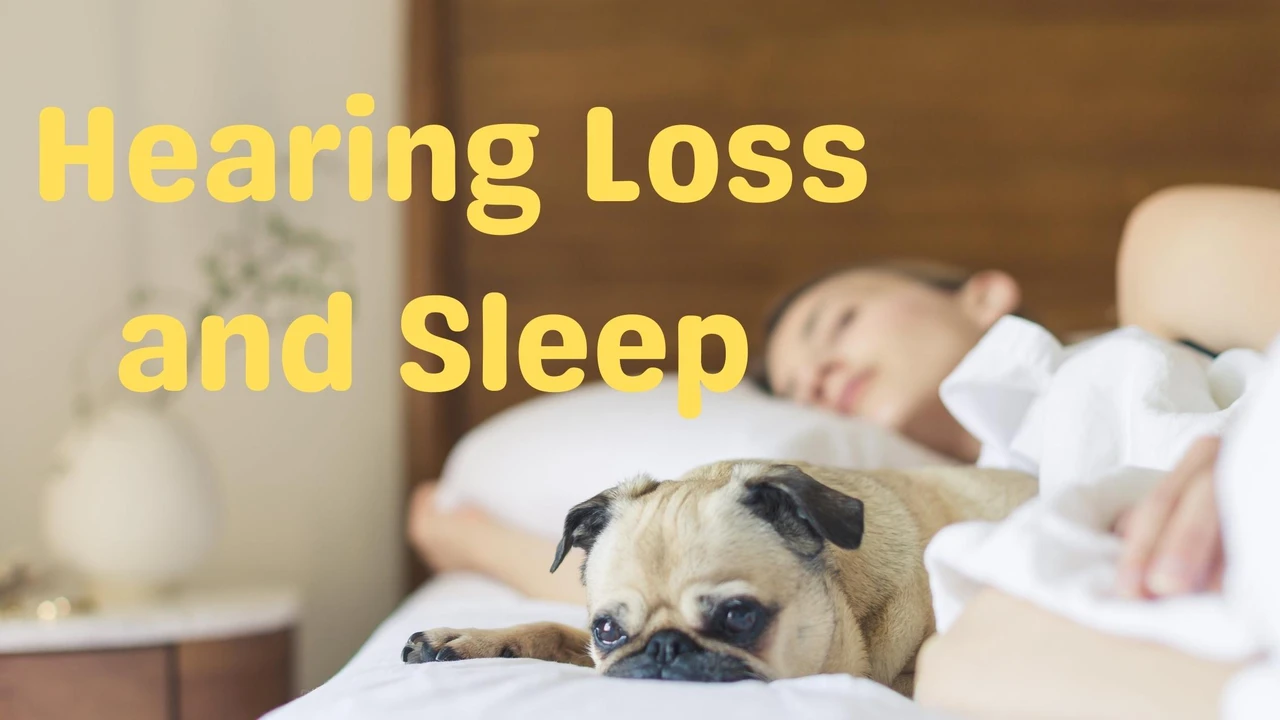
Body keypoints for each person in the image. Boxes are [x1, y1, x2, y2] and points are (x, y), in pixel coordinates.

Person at [913, 184, 1280, 719]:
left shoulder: (1167, 269)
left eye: (835, 322)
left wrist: (1247, 452)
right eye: (791, 390)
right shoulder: (970, 627)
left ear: (984, 297)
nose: (814, 373)